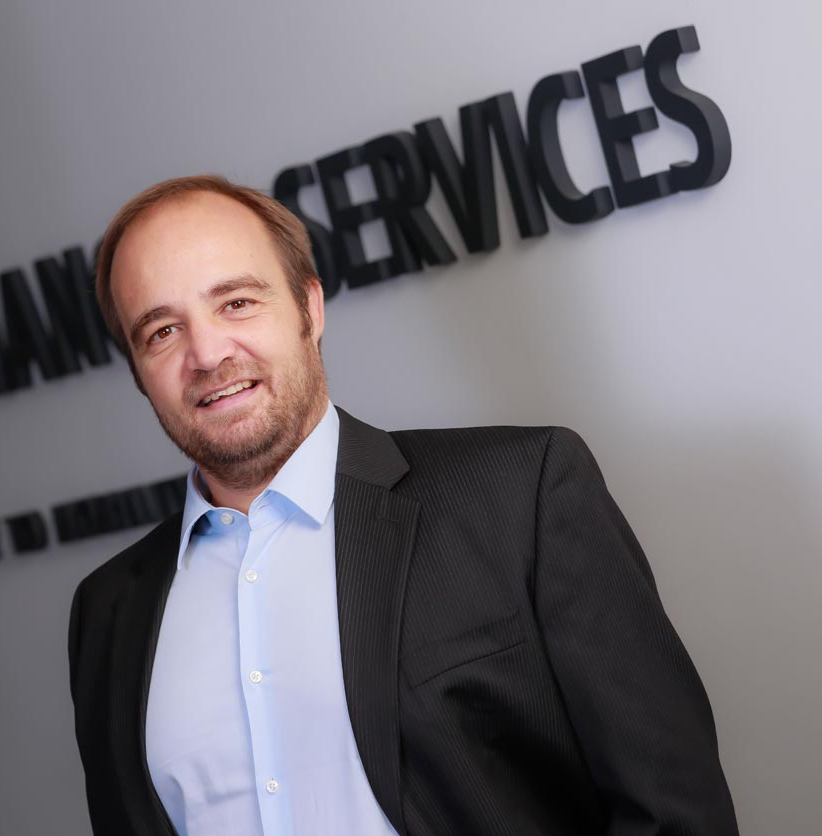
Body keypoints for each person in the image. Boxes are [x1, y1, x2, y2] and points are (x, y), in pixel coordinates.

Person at [67, 175, 738, 836]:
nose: (208, 353)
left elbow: (674, 812)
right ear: (139, 373)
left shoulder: (517, 495)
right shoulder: (109, 612)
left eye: (237, 303)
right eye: (161, 331)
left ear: (309, 308)